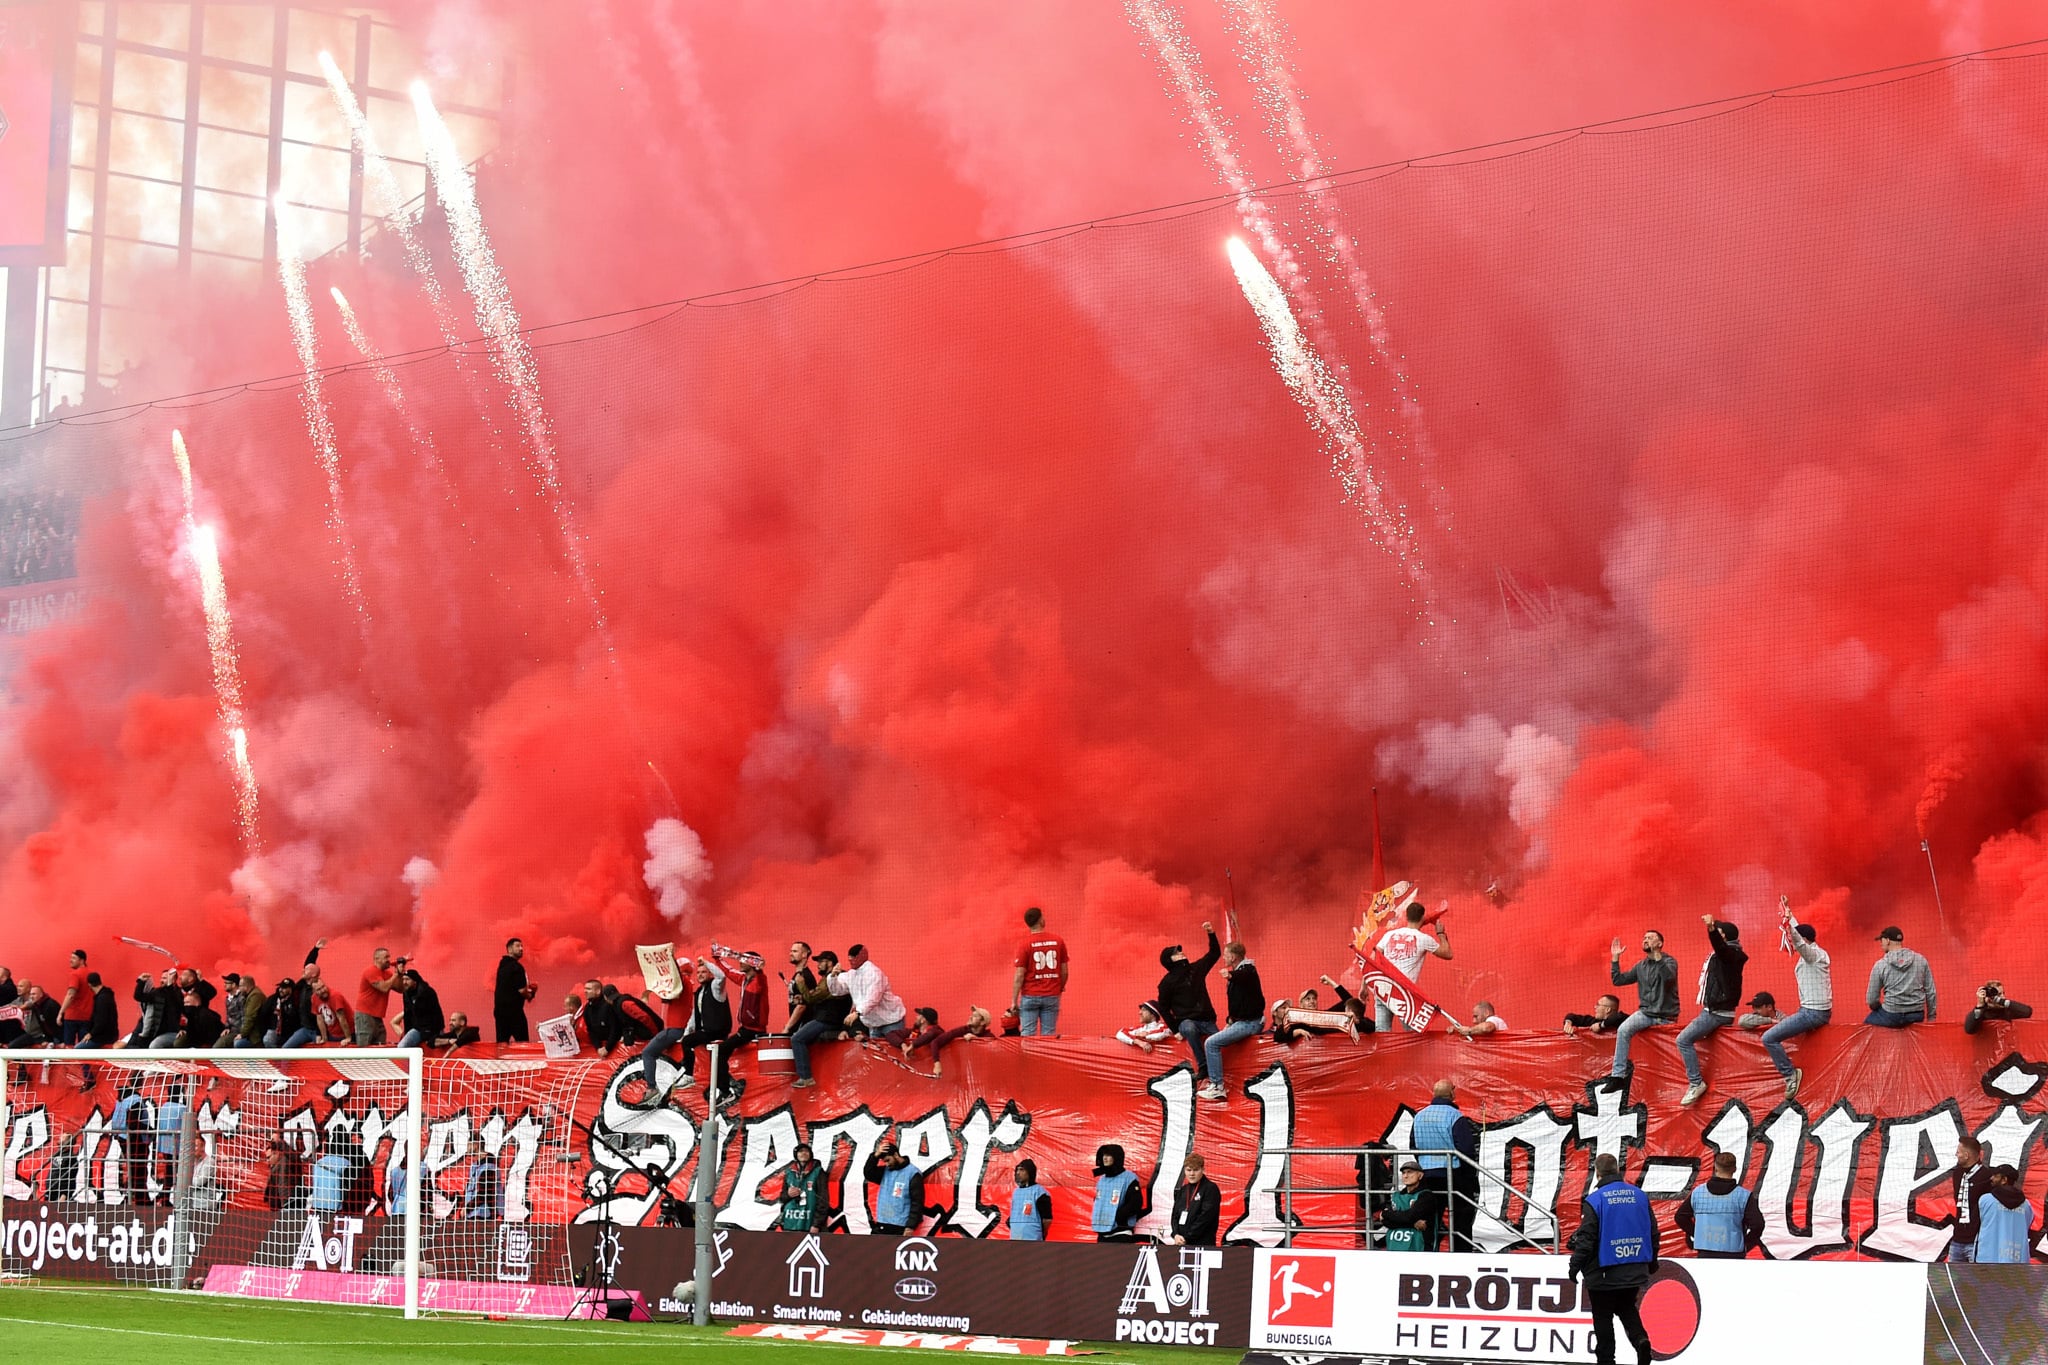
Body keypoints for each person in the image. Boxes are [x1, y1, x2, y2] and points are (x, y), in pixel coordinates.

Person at [1569, 1152, 1658, 1365]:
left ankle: (1607, 1360)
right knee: (1626, 1307)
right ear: (1618, 1170)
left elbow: (1586, 1239)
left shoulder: (1595, 1200)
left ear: (1597, 1173)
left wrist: (1574, 1267)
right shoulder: (1639, 1195)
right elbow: (1653, 1232)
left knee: (1603, 1316)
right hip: (1635, 1267)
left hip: (1603, 1271)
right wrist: (1652, 1262)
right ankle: (1641, 1340)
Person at [1760, 907, 1833, 1100]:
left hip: (1812, 1013)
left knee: (1768, 1038)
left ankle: (1790, 1075)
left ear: (1805, 940)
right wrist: (1790, 916)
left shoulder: (1813, 955)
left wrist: (1790, 927)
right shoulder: (1816, 954)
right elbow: (1800, 937)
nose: (1791, 942)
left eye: (1796, 938)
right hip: (1812, 1011)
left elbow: (1799, 942)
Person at [1677, 916, 1747, 1107]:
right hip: (1716, 1010)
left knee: (1683, 1040)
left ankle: (1696, 1082)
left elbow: (1721, 949)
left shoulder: (1731, 954)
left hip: (1717, 1012)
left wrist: (1711, 929)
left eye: (1720, 933)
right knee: (1700, 1039)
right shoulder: (1728, 955)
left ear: (1726, 936)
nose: (1718, 936)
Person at [1411, 1079, 1480, 1251]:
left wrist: (1423, 1164)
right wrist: (1470, 1177)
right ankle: (1461, 1253)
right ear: (1452, 1093)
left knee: (1430, 1217)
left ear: (1434, 1094)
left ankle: (1428, 1252)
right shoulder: (1455, 1116)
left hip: (1427, 1174)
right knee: (1462, 1217)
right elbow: (1465, 1150)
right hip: (1453, 1173)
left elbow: (1414, 1145)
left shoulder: (1419, 1116)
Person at [1608, 930, 1679, 1082]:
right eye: (1644, 937)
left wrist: (1657, 956)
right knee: (1623, 1029)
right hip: (1646, 1014)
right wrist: (1615, 959)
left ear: (1659, 944)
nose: (1645, 940)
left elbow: (1668, 977)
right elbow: (1618, 980)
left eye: (1650, 937)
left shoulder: (1669, 962)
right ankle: (1617, 1076)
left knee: (1670, 1054)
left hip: (1667, 1016)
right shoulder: (1641, 966)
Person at [1199, 941, 1264, 1103]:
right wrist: (1230, 1021)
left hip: (1249, 1023)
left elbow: (1244, 976)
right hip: (1241, 1021)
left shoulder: (1247, 970)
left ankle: (1217, 1086)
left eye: (1226, 955)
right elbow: (1240, 1002)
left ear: (1233, 957)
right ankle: (1216, 1084)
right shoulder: (1242, 971)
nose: (1224, 958)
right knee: (1216, 1039)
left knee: (1211, 1043)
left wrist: (1230, 976)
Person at [1373, 902, 1454, 1031]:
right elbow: (1448, 954)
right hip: (1404, 992)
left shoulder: (1389, 935)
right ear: (1422, 917)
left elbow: (1373, 959)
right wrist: (1441, 933)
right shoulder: (1423, 939)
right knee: (1413, 1036)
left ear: (1406, 916)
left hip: (1383, 987)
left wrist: (1365, 986)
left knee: (1382, 1034)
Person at [1157, 925, 1222, 1070]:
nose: (1181, 952)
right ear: (1170, 960)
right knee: (1190, 1028)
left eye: (1180, 950)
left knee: (1222, 1042)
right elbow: (1163, 1008)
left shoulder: (1195, 969)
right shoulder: (1166, 983)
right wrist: (1176, 1031)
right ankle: (1203, 1065)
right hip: (1186, 1022)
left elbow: (1214, 953)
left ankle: (1218, 1075)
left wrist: (1211, 933)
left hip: (1207, 1020)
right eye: (1176, 952)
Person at [1675, 1152, 1762, 1258]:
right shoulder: (1744, 1196)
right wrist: (1745, 1242)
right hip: (1734, 1253)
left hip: (1705, 1252)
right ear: (1734, 1169)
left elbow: (1680, 1217)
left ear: (1715, 1168)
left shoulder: (1698, 1193)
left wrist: (1697, 1234)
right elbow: (1758, 1224)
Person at [789, 950, 853, 1089]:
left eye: (820, 962)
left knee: (797, 1039)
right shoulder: (829, 977)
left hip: (827, 1019)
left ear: (829, 963)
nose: (817, 965)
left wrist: (801, 984)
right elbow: (816, 997)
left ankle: (805, 1077)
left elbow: (814, 997)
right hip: (828, 1019)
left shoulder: (834, 977)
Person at [827, 943, 909, 1045]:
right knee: (878, 1057)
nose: (851, 960)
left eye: (853, 957)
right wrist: (833, 976)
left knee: (895, 1055)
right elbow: (837, 991)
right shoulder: (852, 974)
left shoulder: (874, 973)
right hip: (873, 1024)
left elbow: (873, 998)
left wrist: (857, 1013)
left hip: (891, 1021)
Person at [1012, 906, 1069, 1037]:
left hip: (1029, 995)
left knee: (1027, 1036)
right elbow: (1064, 971)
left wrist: (1014, 1001)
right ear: (1041, 920)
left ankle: (1027, 1057)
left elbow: (1019, 975)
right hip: (1051, 995)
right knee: (1048, 1036)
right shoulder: (1058, 941)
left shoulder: (1024, 944)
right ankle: (1045, 1057)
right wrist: (1059, 987)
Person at [1867, 926, 1936, 1027]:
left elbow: (1871, 999)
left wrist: (1877, 1008)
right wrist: (1931, 1017)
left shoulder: (1880, 965)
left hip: (1890, 1015)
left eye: (1881, 940)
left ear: (1887, 940)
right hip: (1916, 1015)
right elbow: (1931, 992)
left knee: (1865, 1028)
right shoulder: (1920, 960)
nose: (1881, 944)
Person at [1378, 1160, 1447, 1251]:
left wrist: (1386, 1215)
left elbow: (1410, 1216)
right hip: (1395, 1245)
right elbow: (1386, 1222)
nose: (1405, 1176)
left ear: (1420, 1175)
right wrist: (1413, 1223)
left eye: (1410, 1172)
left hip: (1419, 1248)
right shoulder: (1395, 1196)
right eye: (1403, 1173)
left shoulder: (1426, 1196)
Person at [866, 1137, 927, 1235]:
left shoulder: (913, 1173)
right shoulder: (885, 1171)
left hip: (900, 1227)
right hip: (882, 1223)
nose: (887, 1164)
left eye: (888, 1160)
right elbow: (868, 1173)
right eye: (884, 1161)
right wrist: (875, 1156)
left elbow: (917, 1202)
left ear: (896, 1155)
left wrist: (910, 1226)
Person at [1976, 1165, 2035, 1265]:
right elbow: (2027, 1223)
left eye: (1995, 1176)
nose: (1991, 1178)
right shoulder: (2026, 1205)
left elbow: (1979, 1222)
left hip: (1987, 1260)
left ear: (2004, 1180)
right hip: (2018, 1260)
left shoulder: (1985, 1200)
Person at [1949, 1137, 1995, 1263]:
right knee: (1954, 1277)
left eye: (1958, 1152)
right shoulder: (1957, 1173)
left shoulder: (1986, 1176)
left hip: (1976, 1241)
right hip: (1957, 1238)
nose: (1956, 1154)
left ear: (1967, 1155)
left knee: (1975, 1280)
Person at [1090, 1143, 1146, 1242]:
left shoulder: (1129, 1178)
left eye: (1108, 1155)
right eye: (1103, 1155)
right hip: (1102, 1234)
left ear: (1116, 1157)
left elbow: (1135, 1204)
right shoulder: (1102, 1179)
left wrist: (1117, 1217)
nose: (1105, 1158)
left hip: (1121, 1233)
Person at [1170, 1153, 1221, 1247]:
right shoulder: (1183, 1190)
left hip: (1202, 1244)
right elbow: (1175, 1215)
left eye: (1196, 1170)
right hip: (1181, 1243)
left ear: (1203, 1170)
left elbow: (1205, 1218)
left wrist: (1187, 1237)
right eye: (1188, 1170)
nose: (1192, 1174)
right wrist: (1175, 1234)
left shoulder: (1210, 1188)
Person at [776, 1143, 829, 1233]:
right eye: (800, 1151)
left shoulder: (818, 1172)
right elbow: (782, 1198)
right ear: (796, 1155)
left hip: (809, 1224)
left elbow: (823, 1200)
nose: (803, 1153)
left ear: (810, 1154)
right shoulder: (789, 1173)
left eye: (806, 1151)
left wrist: (816, 1224)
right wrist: (788, 1194)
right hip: (790, 1224)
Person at [494, 938, 536, 1043]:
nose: (521, 949)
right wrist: (530, 994)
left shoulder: (502, 965)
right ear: (509, 949)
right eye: (517, 946)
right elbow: (522, 991)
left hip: (500, 1012)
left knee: (501, 1044)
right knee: (523, 1043)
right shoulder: (517, 967)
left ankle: (500, 1059)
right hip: (514, 1012)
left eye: (522, 946)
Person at [355, 948, 400, 1046]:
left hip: (377, 1016)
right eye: (386, 957)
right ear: (377, 959)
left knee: (380, 1044)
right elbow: (384, 988)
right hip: (365, 1015)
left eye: (389, 956)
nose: (389, 959)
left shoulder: (387, 974)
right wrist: (395, 974)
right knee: (364, 1045)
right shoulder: (370, 971)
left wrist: (400, 974)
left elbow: (400, 989)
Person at [290, 980, 354, 1047]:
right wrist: (324, 1038)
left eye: (323, 987)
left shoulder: (335, 996)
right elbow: (320, 1019)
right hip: (333, 1034)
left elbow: (341, 1018)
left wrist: (348, 1038)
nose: (323, 990)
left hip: (347, 1033)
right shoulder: (314, 998)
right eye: (319, 989)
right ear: (314, 992)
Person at [395, 967, 445, 1049]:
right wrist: (407, 1032)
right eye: (403, 979)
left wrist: (436, 1032)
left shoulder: (427, 992)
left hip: (430, 1029)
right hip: (417, 1029)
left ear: (415, 981)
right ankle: (409, 1062)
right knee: (402, 1047)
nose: (404, 982)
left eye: (407, 979)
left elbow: (436, 1014)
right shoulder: (406, 994)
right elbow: (407, 1014)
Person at [1965, 981, 2034, 1035]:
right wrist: (1980, 1005)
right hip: (1986, 1051)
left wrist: (2000, 1001)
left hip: (2008, 1050)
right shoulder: (1982, 1013)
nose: (2003, 997)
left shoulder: (2007, 1011)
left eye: (2003, 993)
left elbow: (2027, 1012)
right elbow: (1970, 1029)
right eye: (1998, 994)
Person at [1009, 1158, 1053, 1241]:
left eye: (1022, 1170)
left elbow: (1047, 1219)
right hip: (1014, 1238)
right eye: (1017, 1170)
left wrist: (1040, 1232)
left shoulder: (1040, 1192)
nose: (1018, 1173)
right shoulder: (1016, 1192)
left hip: (1033, 1239)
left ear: (1030, 1172)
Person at [58, 949, 93, 1046]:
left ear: (82, 960)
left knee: (69, 1046)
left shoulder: (75, 974)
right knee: (84, 1046)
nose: (70, 960)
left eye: (73, 958)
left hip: (72, 1015)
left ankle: (71, 1062)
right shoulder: (91, 974)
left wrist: (61, 1012)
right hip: (87, 1016)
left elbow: (70, 994)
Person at [83, 973, 120, 1047]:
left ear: (89, 984)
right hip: (110, 1035)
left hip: (102, 1037)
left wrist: (91, 1034)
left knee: (78, 1049)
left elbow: (101, 1021)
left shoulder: (101, 999)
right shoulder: (107, 995)